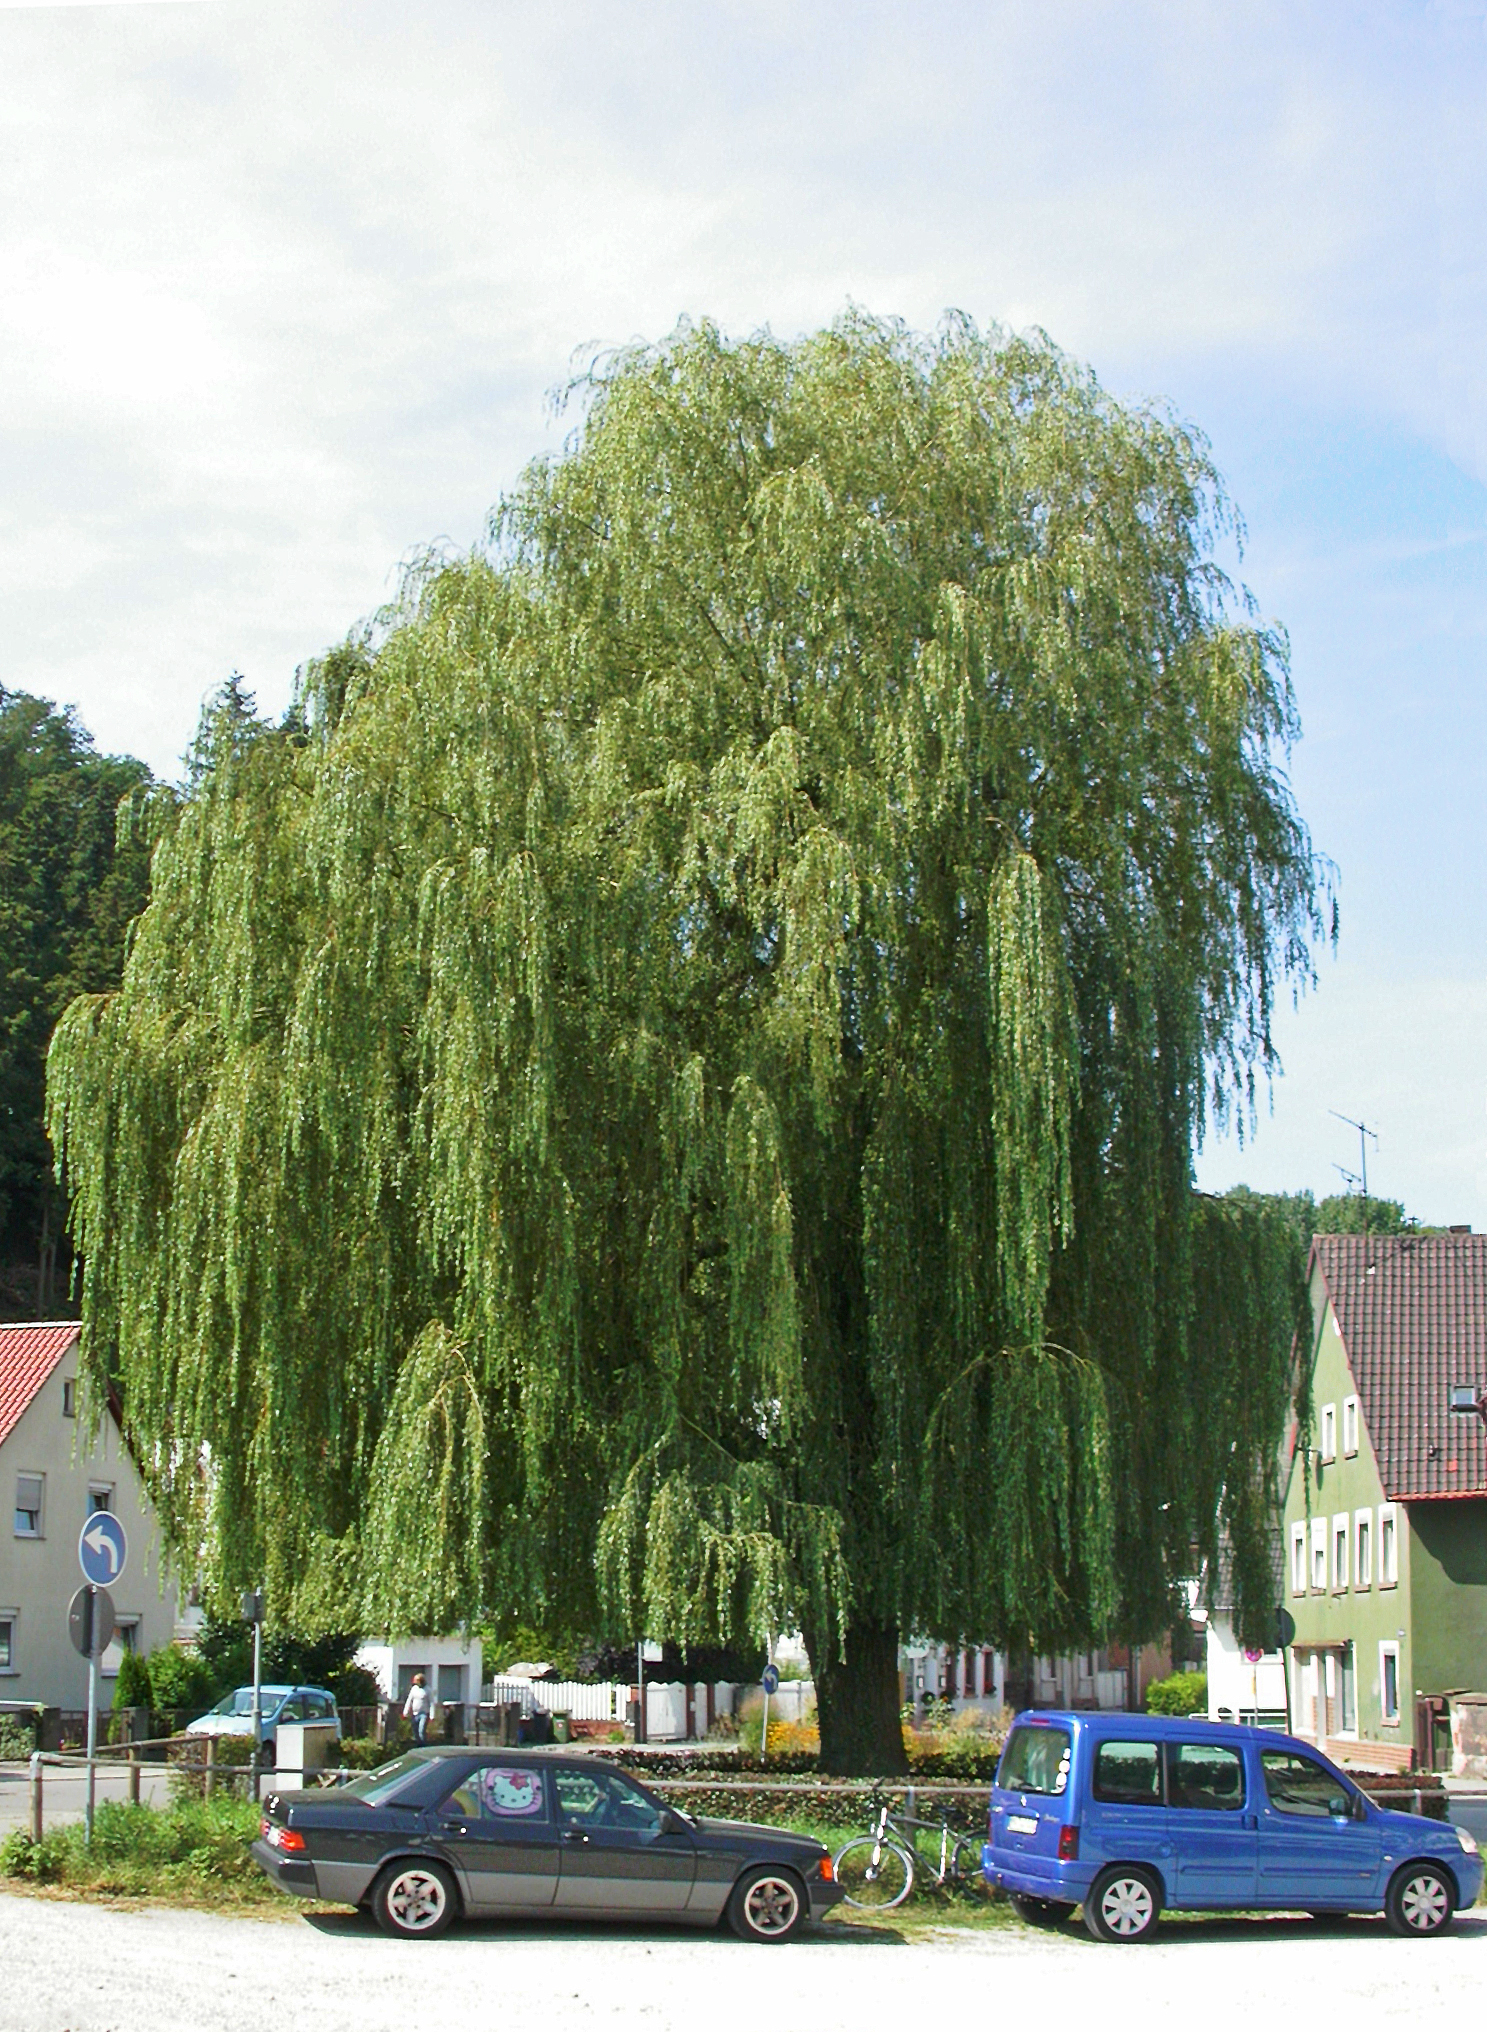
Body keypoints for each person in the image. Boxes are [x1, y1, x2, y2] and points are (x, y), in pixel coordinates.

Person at [403, 1671, 432, 1745]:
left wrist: (432, 1715)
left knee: (421, 1730)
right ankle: (418, 1744)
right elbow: (409, 1700)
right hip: (415, 1713)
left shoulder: (427, 1689)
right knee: (415, 1731)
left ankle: (423, 1746)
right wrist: (405, 1712)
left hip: (424, 1713)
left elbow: (431, 1703)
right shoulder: (414, 1689)